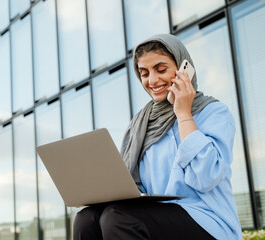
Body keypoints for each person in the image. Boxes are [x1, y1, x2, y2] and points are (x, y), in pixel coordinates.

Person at [73, 34, 242, 240]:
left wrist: (183, 114)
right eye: (144, 73)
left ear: (183, 68)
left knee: (118, 217)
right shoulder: (141, 125)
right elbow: (135, 187)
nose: (152, 80)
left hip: (208, 221)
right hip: (155, 217)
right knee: (86, 217)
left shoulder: (213, 112)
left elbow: (206, 178)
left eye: (161, 70)